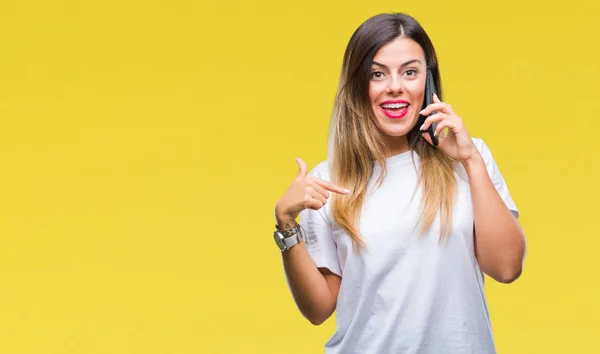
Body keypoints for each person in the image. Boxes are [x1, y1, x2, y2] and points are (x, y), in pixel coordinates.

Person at [272, 12, 527, 354]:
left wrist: (471, 162)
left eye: (410, 72)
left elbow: (507, 267)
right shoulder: (328, 180)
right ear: (359, 85)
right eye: (378, 74)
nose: (396, 86)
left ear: (428, 82)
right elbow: (318, 309)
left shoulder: (469, 159)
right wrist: (287, 224)